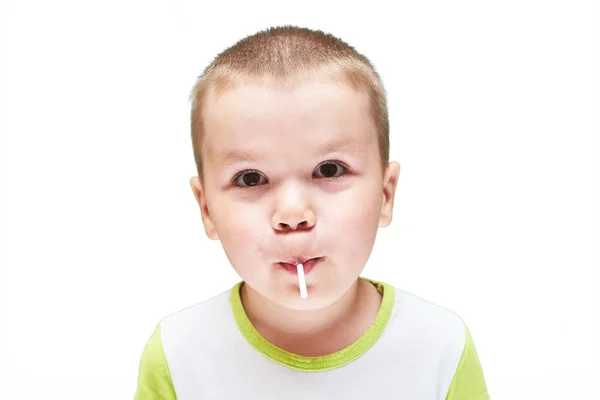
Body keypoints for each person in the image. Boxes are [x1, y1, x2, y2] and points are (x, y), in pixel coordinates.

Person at [133, 25, 489, 399]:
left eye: (329, 170)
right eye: (251, 178)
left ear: (386, 194)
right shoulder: (178, 355)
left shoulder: (440, 349)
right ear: (206, 208)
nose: (292, 214)